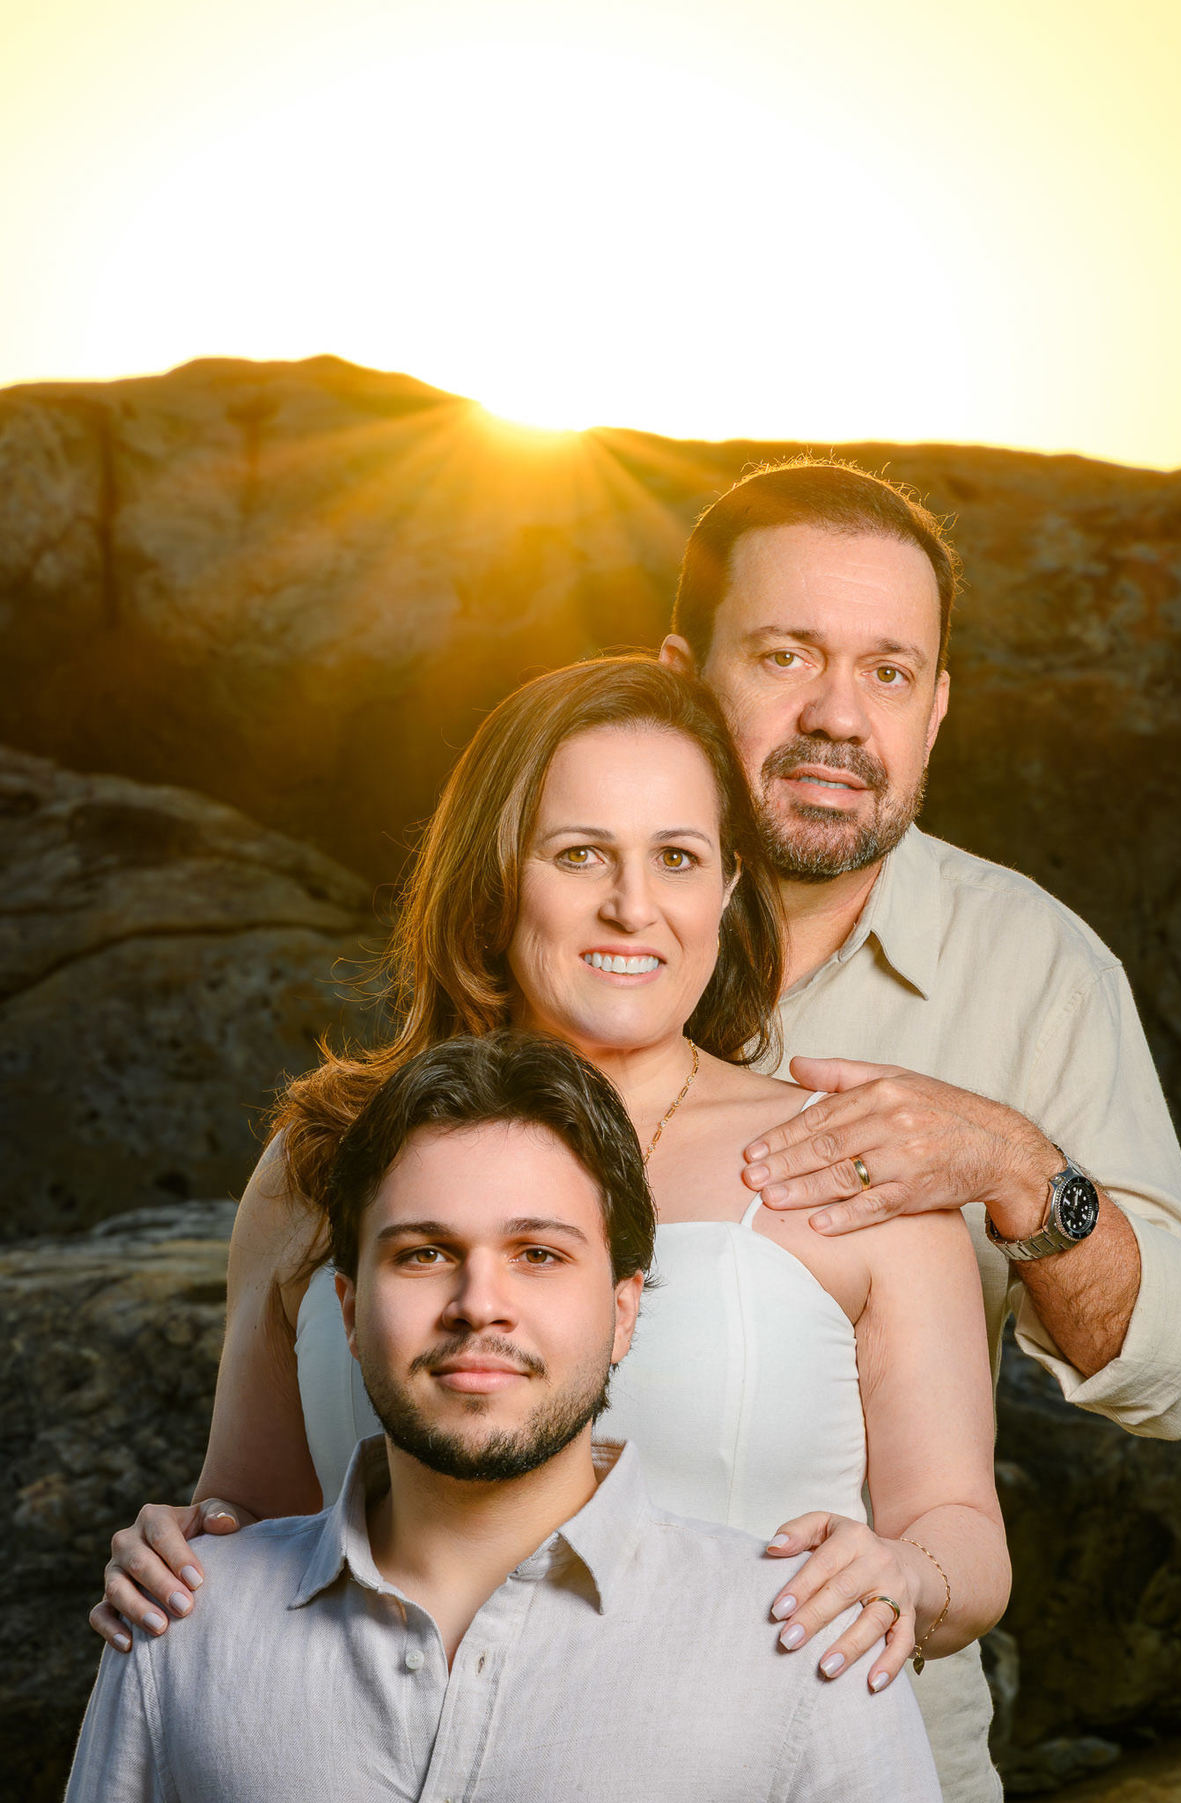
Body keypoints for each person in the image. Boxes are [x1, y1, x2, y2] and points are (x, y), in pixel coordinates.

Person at [90, 657, 1007, 1799]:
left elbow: (961, 1527)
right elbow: (252, 1508)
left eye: (677, 857)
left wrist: (905, 1577)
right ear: (494, 874)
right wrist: (176, 1557)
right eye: (579, 854)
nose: (633, 906)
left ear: (729, 885)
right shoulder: (317, 1162)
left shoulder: (851, 1163)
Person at [659, 457, 1181, 1790]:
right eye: (786, 654)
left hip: (873, 1725)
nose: (839, 717)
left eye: (890, 672)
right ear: (679, 678)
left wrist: (1016, 1169)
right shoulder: (550, 931)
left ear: (938, 706)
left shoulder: (1036, 965)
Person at [67, 1033, 942, 1802]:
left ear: (624, 1311)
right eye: (424, 1252)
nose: (479, 1303)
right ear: (348, 1309)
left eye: (538, 1253)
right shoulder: (182, 1626)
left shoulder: (805, 1641)